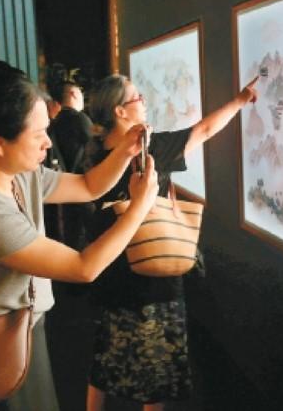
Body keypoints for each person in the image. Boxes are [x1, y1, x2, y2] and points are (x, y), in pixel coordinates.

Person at [0, 70, 159, 411]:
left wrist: (125, 151)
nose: (48, 143)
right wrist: (140, 207)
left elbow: (88, 186)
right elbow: (83, 267)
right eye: (38, 134)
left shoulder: (17, 173)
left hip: (20, 326)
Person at [84, 74, 258, 411]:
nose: (143, 102)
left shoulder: (94, 156)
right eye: (137, 97)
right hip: (153, 276)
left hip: (110, 272)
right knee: (158, 373)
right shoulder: (151, 151)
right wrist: (240, 101)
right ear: (120, 111)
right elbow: (204, 130)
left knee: (105, 357)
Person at [44, 79, 94, 248]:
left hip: (60, 196)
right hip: (82, 192)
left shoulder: (52, 124)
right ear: (73, 94)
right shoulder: (80, 120)